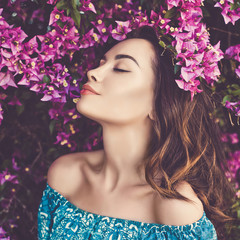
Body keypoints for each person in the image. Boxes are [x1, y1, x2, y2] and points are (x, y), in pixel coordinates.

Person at [38, 26, 233, 239]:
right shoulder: (66, 175)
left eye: (121, 68)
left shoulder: (174, 208)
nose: (92, 73)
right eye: (101, 63)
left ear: (158, 105)